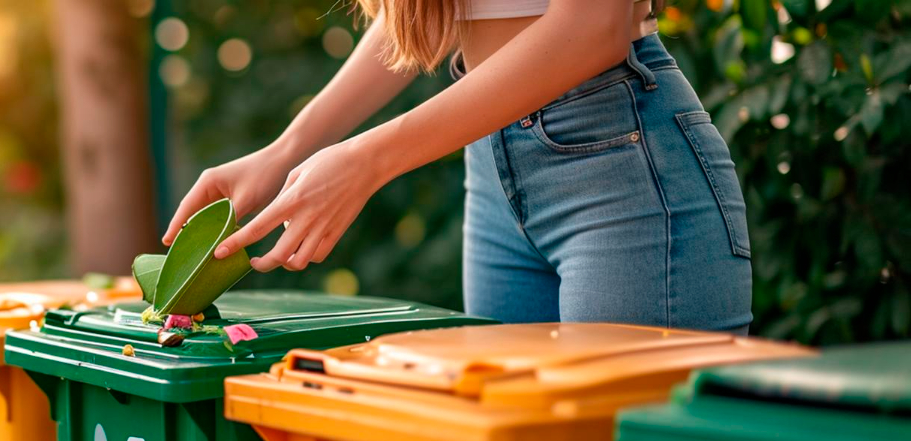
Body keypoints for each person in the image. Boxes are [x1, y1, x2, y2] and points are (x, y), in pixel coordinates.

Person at [164, 0, 753, 333]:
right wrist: (284, 153)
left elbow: (594, 27)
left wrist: (367, 160)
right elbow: (424, 22)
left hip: (622, 174)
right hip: (494, 176)